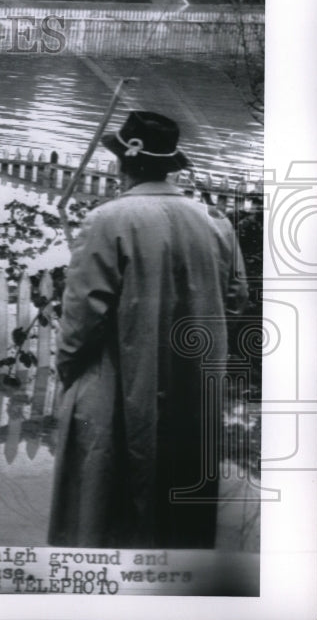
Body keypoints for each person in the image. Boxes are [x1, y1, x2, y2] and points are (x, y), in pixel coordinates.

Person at [48, 110, 248, 548]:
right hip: (192, 380)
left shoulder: (108, 220)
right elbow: (236, 300)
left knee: (110, 492)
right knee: (179, 490)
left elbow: (81, 320)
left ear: (126, 163)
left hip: (119, 378)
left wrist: (68, 372)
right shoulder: (215, 221)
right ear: (169, 164)